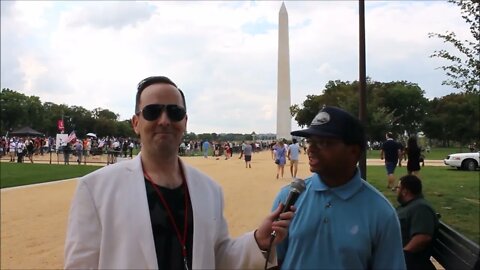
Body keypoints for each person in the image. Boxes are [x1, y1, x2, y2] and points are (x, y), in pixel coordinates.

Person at [64, 76, 294, 269]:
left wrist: (258, 241)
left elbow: (218, 257)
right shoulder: (95, 189)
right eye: (152, 112)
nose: (164, 120)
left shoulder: (210, 189)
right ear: (135, 122)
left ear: (185, 121)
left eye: (174, 112)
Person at [271, 106, 406, 270]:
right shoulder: (289, 197)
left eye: (323, 142)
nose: (311, 149)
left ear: (354, 152)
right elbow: (273, 260)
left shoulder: (381, 213)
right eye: (310, 141)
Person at [396, 175, 439, 270]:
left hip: (410, 263)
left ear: (405, 191)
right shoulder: (409, 206)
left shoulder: (421, 209)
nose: (395, 190)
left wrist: (401, 258)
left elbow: (422, 237)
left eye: (398, 187)